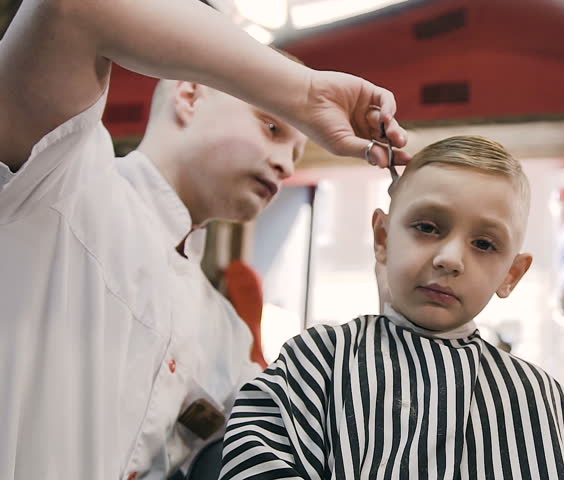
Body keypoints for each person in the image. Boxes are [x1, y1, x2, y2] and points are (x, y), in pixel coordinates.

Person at [0, 1, 408, 478]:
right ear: (190, 96)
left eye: (297, 155)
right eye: (272, 126)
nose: (286, 165)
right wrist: (303, 91)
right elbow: (72, 8)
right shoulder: (62, 175)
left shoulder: (226, 335)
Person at [220, 136, 564, 479]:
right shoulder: (320, 357)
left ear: (511, 276)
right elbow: (252, 455)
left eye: (484, 243)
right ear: (382, 239)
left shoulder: (535, 395)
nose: (450, 258)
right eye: (427, 226)